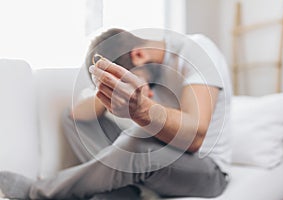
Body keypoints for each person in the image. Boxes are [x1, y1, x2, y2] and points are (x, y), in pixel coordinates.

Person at [0, 28, 232, 200]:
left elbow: (195, 138)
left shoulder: (196, 51)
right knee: (74, 121)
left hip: (206, 171)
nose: (148, 94)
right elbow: (76, 114)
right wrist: (107, 94)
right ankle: (123, 190)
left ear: (138, 55)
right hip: (160, 157)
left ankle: (38, 192)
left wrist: (143, 109)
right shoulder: (144, 63)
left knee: (135, 142)